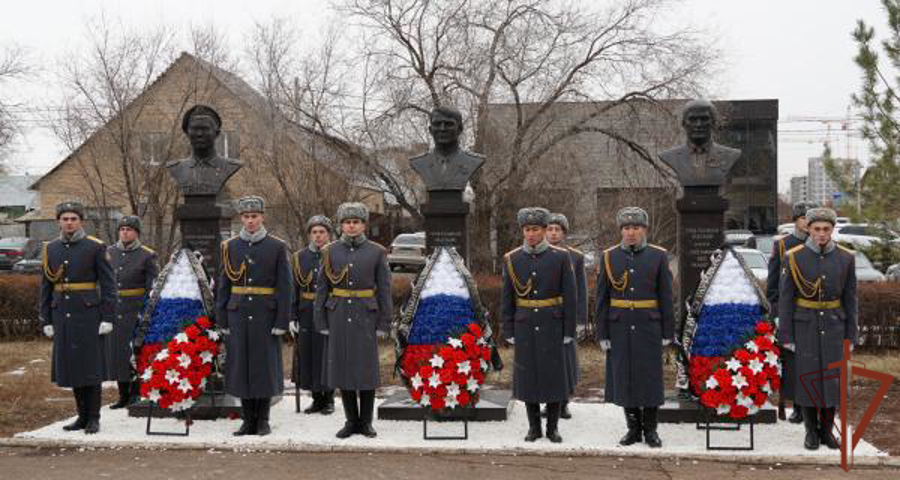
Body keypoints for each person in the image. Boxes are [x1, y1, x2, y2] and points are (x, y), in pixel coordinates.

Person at [595, 207, 675, 448]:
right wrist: (603, 333)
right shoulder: (609, 257)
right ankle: (633, 429)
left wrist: (666, 332)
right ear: (621, 230)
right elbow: (602, 299)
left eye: (636, 228)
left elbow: (666, 297)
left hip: (648, 327)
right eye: (627, 228)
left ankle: (651, 430)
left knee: (649, 379)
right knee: (625, 378)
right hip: (619, 327)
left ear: (644, 230)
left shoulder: (658, 256)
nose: (631, 233)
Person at [779, 207, 858, 450]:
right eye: (816, 229)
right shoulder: (794, 256)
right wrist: (787, 334)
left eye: (826, 229)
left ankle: (827, 431)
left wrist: (851, 334)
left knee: (831, 380)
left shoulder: (846, 258)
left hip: (835, 325)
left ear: (832, 230)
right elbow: (785, 299)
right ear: (809, 229)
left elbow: (850, 298)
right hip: (805, 326)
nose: (821, 234)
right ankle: (810, 432)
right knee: (808, 379)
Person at [314, 202, 392, 439]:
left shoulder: (377, 252)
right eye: (347, 222)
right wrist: (321, 321)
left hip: (365, 316)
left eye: (356, 222)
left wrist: (384, 322)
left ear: (363, 225)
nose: (351, 226)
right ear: (341, 225)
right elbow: (322, 289)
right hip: (337, 315)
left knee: (366, 369)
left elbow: (384, 290)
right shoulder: (329, 251)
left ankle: (366, 422)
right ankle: (350, 421)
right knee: (343, 367)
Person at [216, 195, 293, 436]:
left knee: (264, 367)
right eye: (246, 217)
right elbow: (223, 286)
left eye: (254, 216)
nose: (250, 221)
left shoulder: (277, 246)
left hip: (265, 315)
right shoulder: (229, 247)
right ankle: (247, 420)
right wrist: (222, 319)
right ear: (241, 218)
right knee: (241, 367)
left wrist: (282, 320)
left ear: (262, 217)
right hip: (237, 314)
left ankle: (263, 420)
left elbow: (285, 287)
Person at [501, 207, 577, 443]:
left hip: (552, 324)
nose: (531, 234)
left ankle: (552, 427)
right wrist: (509, 329)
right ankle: (534, 427)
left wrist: (569, 330)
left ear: (544, 230)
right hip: (525, 325)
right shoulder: (512, 259)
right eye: (527, 229)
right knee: (528, 378)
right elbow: (507, 298)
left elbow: (570, 297)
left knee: (553, 377)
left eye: (535, 229)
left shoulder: (560, 257)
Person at [40, 201, 116, 434]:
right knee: (72, 367)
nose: (69, 222)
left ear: (80, 221)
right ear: (58, 222)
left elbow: (108, 284)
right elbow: (46, 285)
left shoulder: (95, 246)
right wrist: (47, 319)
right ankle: (81, 417)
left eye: (73, 218)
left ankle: (94, 417)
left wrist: (107, 317)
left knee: (90, 366)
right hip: (62, 314)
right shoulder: (50, 248)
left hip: (89, 314)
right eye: (65, 219)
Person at [766, 200, 818, 424]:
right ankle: (797, 406)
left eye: (811, 219)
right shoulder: (782, 245)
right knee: (793, 362)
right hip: (790, 311)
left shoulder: (820, 245)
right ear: (796, 220)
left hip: (814, 312)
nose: (807, 223)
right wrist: (776, 311)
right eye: (803, 218)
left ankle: (812, 406)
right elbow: (774, 283)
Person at [105, 215, 159, 409]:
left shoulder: (147, 255)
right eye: (122, 229)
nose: (125, 232)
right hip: (114, 308)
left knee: (135, 352)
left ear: (136, 232)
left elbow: (152, 286)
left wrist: (146, 311)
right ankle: (122, 395)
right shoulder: (109, 252)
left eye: (129, 229)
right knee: (118, 352)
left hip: (135, 309)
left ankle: (136, 392)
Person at [291, 215, 336, 415]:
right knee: (308, 353)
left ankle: (329, 399)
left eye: (322, 232)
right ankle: (316, 398)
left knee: (326, 354)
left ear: (328, 234)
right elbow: (293, 288)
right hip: (306, 310)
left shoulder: (336, 253)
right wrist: (291, 316)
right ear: (309, 234)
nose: (318, 236)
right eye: (314, 232)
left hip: (328, 310)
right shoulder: (299, 257)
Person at [544, 213, 587, 420]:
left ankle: (563, 403)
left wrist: (579, 320)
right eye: (550, 229)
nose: (553, 233)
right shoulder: (537, 254)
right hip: (544, 316)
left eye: (557, 229)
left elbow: (581, 291)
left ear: (564, 233)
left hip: (565, 315)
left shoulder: (575, 257)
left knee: (566, 361)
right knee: (546, 360)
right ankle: (548, 401)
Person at [409, 106, 485, 192]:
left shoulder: (473, 160)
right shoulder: (419, 162)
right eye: (437, 124)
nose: (442, 129)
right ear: (430, 130)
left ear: (460, 129)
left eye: (448, 124)